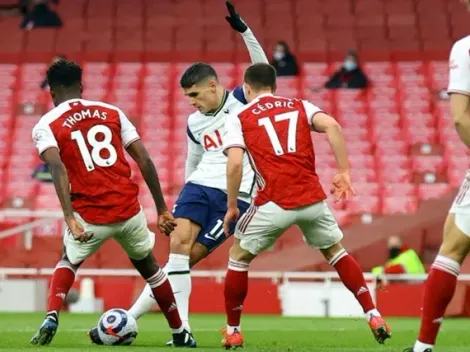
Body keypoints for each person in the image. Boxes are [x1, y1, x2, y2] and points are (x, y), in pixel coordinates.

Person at [94, 1, 268, 346]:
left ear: (214, 86)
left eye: (195, 94)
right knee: (176, 248)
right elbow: (193, 162)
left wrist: (244, 31)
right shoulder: (194, 122)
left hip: (236, 196)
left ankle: (129, 317)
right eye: (187, 96)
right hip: (198, 188)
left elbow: (262, 69)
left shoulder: (241, 101)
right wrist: (177, 201)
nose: (191, 101)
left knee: (188, 260)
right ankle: (182, 329)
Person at [220, 63, 391, 349]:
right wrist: (344, 171)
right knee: (336, 252)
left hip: (272, 201)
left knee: (238, 258)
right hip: (311, 199)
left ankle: (233, 330)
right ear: (274, 86)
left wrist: (231, 206)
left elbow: (235, 162)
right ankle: (373, 315)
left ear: (246, 88)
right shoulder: (300, 104)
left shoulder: (239, 117)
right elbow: (333, 126)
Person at [29, 59, 195, 347]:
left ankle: (52, 315)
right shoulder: (112, 112)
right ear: (80, 87)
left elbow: (57, 168)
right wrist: (162, 208)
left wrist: (69, 216)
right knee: (152, 270)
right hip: (128, 211)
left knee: (69, 260)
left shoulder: (46, 124)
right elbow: (143, 158)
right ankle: (180, 332)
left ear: (52, 93)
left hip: (90, 216)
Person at [403, 30, 470, 352]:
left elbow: (460, 118)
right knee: (452, 236)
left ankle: (423, 347)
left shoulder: (466, 47)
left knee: (452, 250)